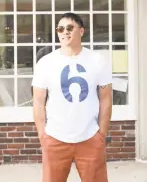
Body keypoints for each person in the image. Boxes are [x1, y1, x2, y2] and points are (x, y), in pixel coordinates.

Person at [32, 12, 113, 182]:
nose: (64, 32)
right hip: (55, 137)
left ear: (81, 31)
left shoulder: (97, 60)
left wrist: (101, 133)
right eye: (60, 28)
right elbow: (38, 102)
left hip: (90, 137)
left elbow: (105, 98)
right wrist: (43, 136)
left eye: (70, 27)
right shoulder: (45, 63)